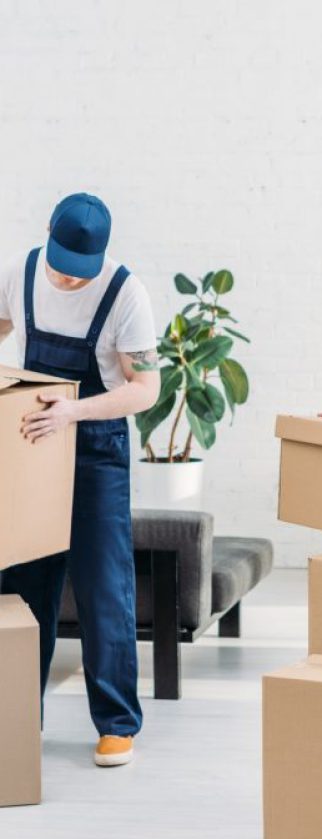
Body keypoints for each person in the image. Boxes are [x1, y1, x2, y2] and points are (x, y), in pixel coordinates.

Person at [0, 193, 159, 765]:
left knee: (104, 590)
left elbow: (146, 389)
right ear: (48, 234)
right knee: (24, 585)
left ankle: (116, 724)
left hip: (95, 451)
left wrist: (74, 411)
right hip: (32, 446)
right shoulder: (18, 272)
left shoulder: (125, 294)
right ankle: (19, 716)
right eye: (62, 268)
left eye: (80, 273)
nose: (69, 281)